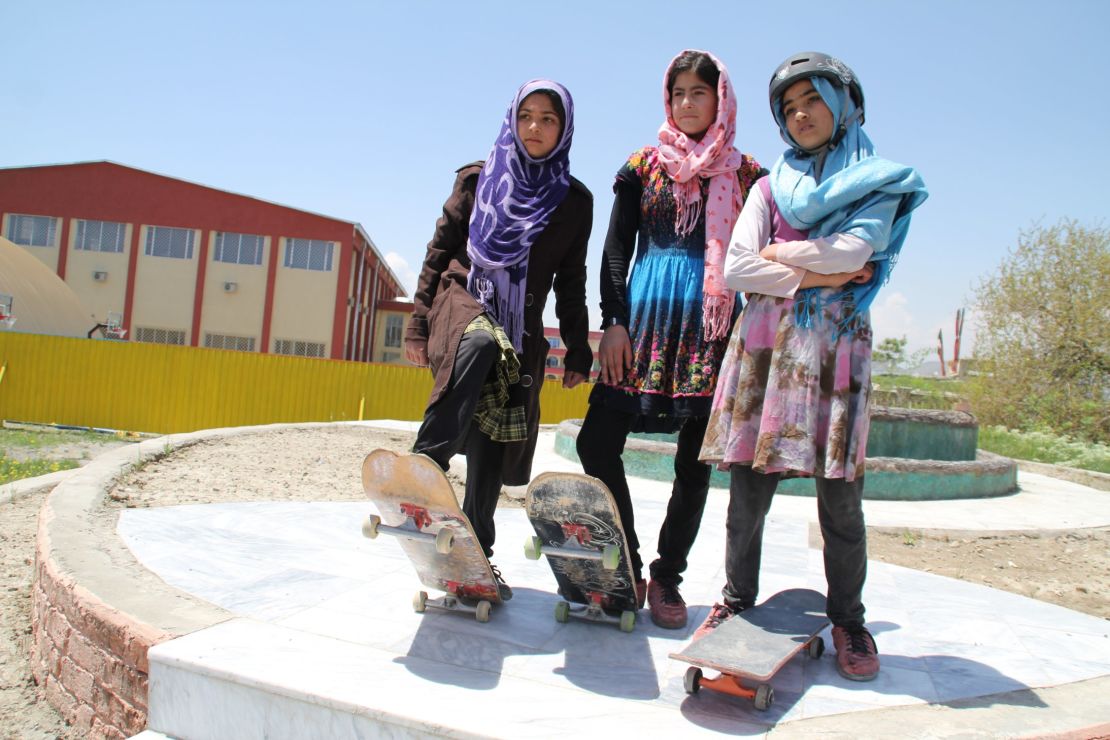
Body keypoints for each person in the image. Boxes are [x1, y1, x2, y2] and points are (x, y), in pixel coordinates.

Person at [698, 52, 927, 680]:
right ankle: (734, 602)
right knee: (746, 495)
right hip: (767, 356)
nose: (800, 115)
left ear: (844, 104)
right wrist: (816, 268)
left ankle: (849, 619)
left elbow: (859, 248)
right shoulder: (768, 188)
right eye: (789, 108)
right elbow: (738, 268)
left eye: (813, 100)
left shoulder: (879, 182)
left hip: (835, 355)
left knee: (841, 504)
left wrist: (781, 255)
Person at [575, 50, 765, 628]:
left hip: (711, 331)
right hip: (641, 323)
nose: (686, 103)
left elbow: (755, 253)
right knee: (595, 442)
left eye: (698, 93)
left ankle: (666, 577)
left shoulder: (746, 174)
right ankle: (624, 560)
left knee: (695, 461)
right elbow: (615, 249)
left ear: (721, 100)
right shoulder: (644, 165)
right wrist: (613, 321)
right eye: (678, 92)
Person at [405, 80, 593, 599]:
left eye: (548, 119)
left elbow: (571, 281)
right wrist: (417, 322)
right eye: (526, 116)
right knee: (485, 343)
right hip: (460, 304)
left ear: (564, 129)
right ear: (512, 120)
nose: (534, 127)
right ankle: (427, 462)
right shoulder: (477, 179)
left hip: (523, 327)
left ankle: (476, 558)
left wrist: (578, 348)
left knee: (491, 444)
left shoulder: (574, 203)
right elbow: (438, 251)